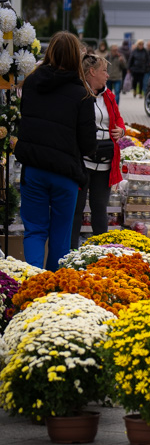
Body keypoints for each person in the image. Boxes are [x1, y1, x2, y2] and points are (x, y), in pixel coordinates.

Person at [14, 32, 96, 270]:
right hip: (65, 173)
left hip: (34, 169)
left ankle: (32, 283)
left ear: (49, 53)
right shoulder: (82, 94)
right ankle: (52, 291)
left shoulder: (30, 84)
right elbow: (89, 145)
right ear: (75, 57)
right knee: (61, 237)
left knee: (35, 231)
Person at [70, 54, 126, 249]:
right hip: (82, 162)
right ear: (92, 72)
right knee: (76, 209)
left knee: (99, 208)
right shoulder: (78, 93)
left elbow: (118, 119)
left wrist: (122, 130)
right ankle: (71, 251)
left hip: (105, 161)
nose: (107, 75)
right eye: (103, 71)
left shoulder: (109, 96)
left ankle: (101, 251)